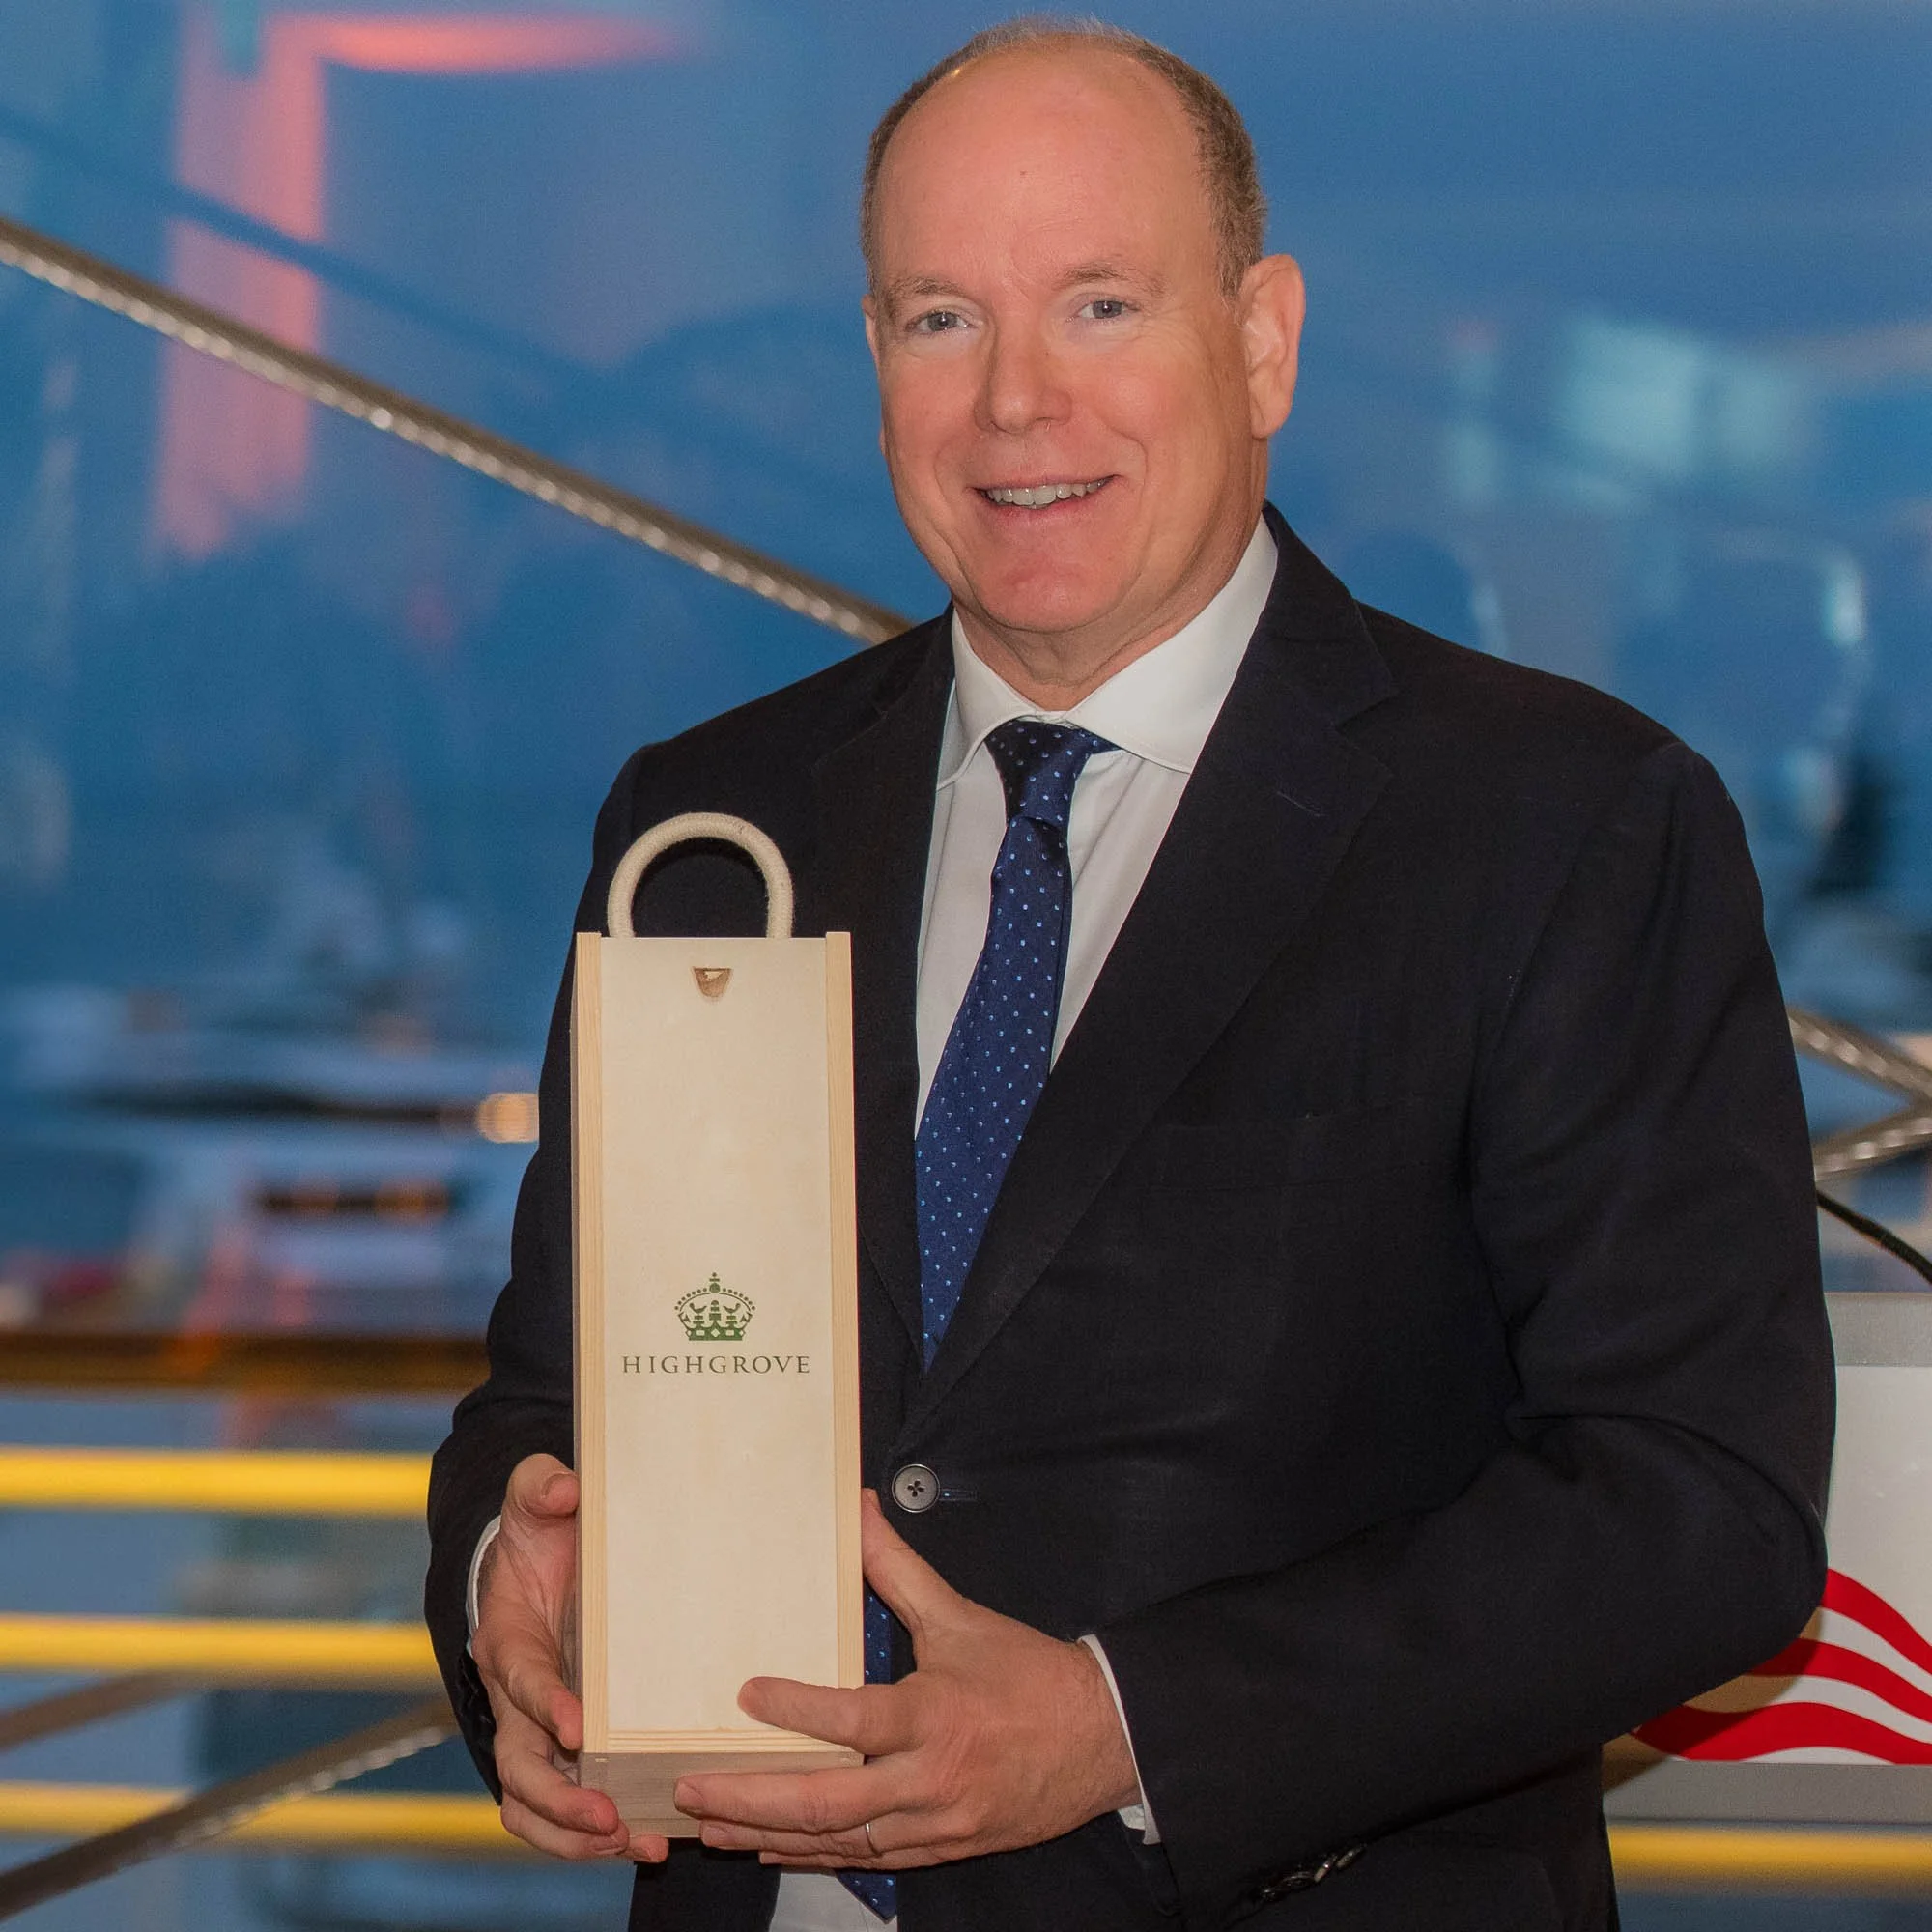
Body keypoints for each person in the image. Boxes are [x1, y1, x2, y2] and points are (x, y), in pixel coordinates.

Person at [425, 20, 1833, 1931]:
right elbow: (547, 1395)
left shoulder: (1566, 821)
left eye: (1098, 304)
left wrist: (1127, 1721)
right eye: (942, 319)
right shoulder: (710, 817)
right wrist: (507, 1573)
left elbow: (1696, 1503)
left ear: (1260, 340)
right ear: (872, 358)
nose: (1016, 405)